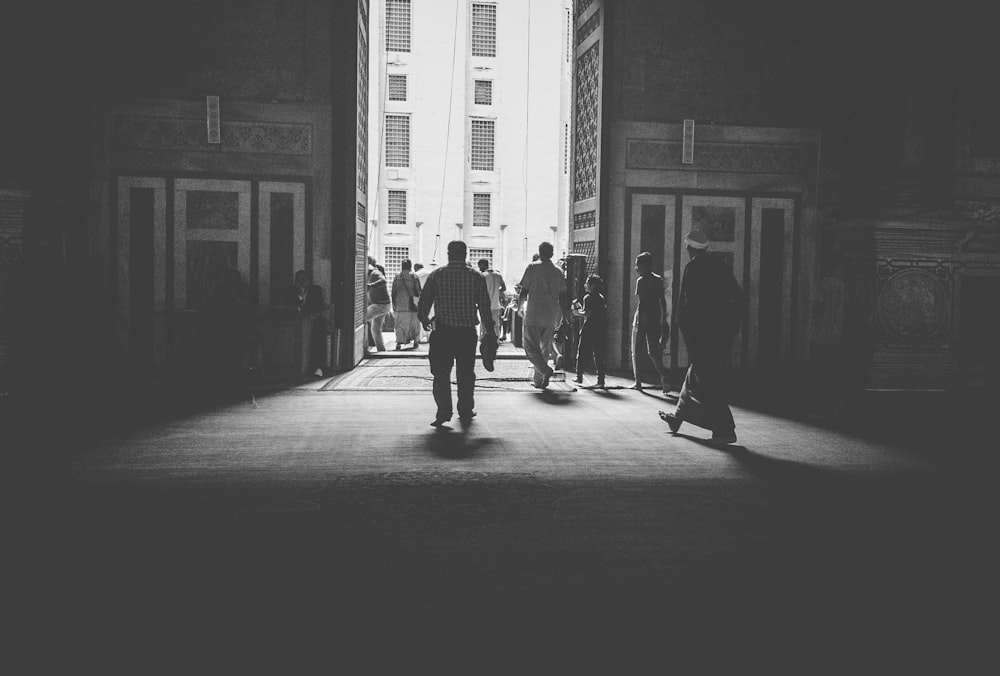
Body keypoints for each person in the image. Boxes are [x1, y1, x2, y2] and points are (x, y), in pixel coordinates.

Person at [659, 229, 743, 446]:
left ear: (689, 248)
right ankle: (677, 418)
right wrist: (730, 327)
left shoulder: (693, 268)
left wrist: (682, 326)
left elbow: (687, 304)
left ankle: (724, 430)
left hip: (701, 335)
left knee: (707, 380)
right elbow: (737, 296)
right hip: (719, 335)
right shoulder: (721, 266)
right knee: (695, 375)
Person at [417, 240, 495, 427]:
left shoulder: (437, 275)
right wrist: (490, 332)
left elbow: (424, 303)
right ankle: (465, 409)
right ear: (465, 254)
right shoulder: (476, 277)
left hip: (442, 332)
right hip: (467, 333)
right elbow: (485, 307)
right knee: (466, 373)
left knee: (441, 373)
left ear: (448, 253)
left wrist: (425, 320)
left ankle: (444, 412)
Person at [517, 241, 567, 389]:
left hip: (534, 314)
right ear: (551, 254)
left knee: (531, 348)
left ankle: (545, 371)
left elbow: (524, 290)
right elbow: (563, 295)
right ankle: (540, 380)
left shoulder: (532, 268)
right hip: (551, 315)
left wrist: (520, 307)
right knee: (545, 348)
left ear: (539, 252)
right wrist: (565, 314)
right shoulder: (558, 271)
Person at [631, 251, 671, 394]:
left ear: (643, 265)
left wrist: (639, 322)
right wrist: (663, 320)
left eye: (637, 265)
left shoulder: (641, 281)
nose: (636, 267)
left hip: (642, 320)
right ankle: (663, 376)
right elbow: (662, 301)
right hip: (655, 318)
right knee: (653, 351)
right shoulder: (658, 280)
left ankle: (638, 382)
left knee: (637, 351)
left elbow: (641, 303)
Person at [572, 274, 607, 388]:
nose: (585, 285)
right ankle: (601, 380)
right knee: (599, 355)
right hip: (600, 328)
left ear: (592, 286)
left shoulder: (587, 297)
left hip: (589, 328)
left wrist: (576, 312)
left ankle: (579, 376)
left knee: (582, 352)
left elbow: (587, 313)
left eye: (587, 283)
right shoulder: (600, 297)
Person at [391, 259, 422, 350]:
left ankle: (399, 342)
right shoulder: (414, 276)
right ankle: (416, 341)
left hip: (400, 305)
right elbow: (418, 291)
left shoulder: (397, 276)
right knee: (414, 324)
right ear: (410, 266)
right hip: (413, 305)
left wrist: (394, 304)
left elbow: (393, 292)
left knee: (400, 325)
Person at [477, 258, 506, 340]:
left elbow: (479, 291)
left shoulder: (482, 276)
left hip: (484, 305)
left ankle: (485, 342)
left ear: (483, 265)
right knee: (496, 325)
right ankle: (496, 341)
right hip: (496, 304)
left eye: (479, 266)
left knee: (484, 325)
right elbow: (504, 288)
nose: (479, 268)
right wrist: (496, 291)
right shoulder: (498, 275)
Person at [366, 256, 391, 352]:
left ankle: (362, 349)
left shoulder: (375, 273)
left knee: (360, 319)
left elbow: (383, 280)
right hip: (383, 305)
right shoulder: (371, 274)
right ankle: (382, 350)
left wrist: (371, 285)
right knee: (375, 329)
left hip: (380, 305)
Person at [413, 262, 432, 344]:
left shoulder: (415, 274)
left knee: (419, 318)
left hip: (418, 299)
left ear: (415, 268)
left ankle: (418, 338)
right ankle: (430, 337)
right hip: (430, 298)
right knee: (430, 316)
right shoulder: (430, 273)